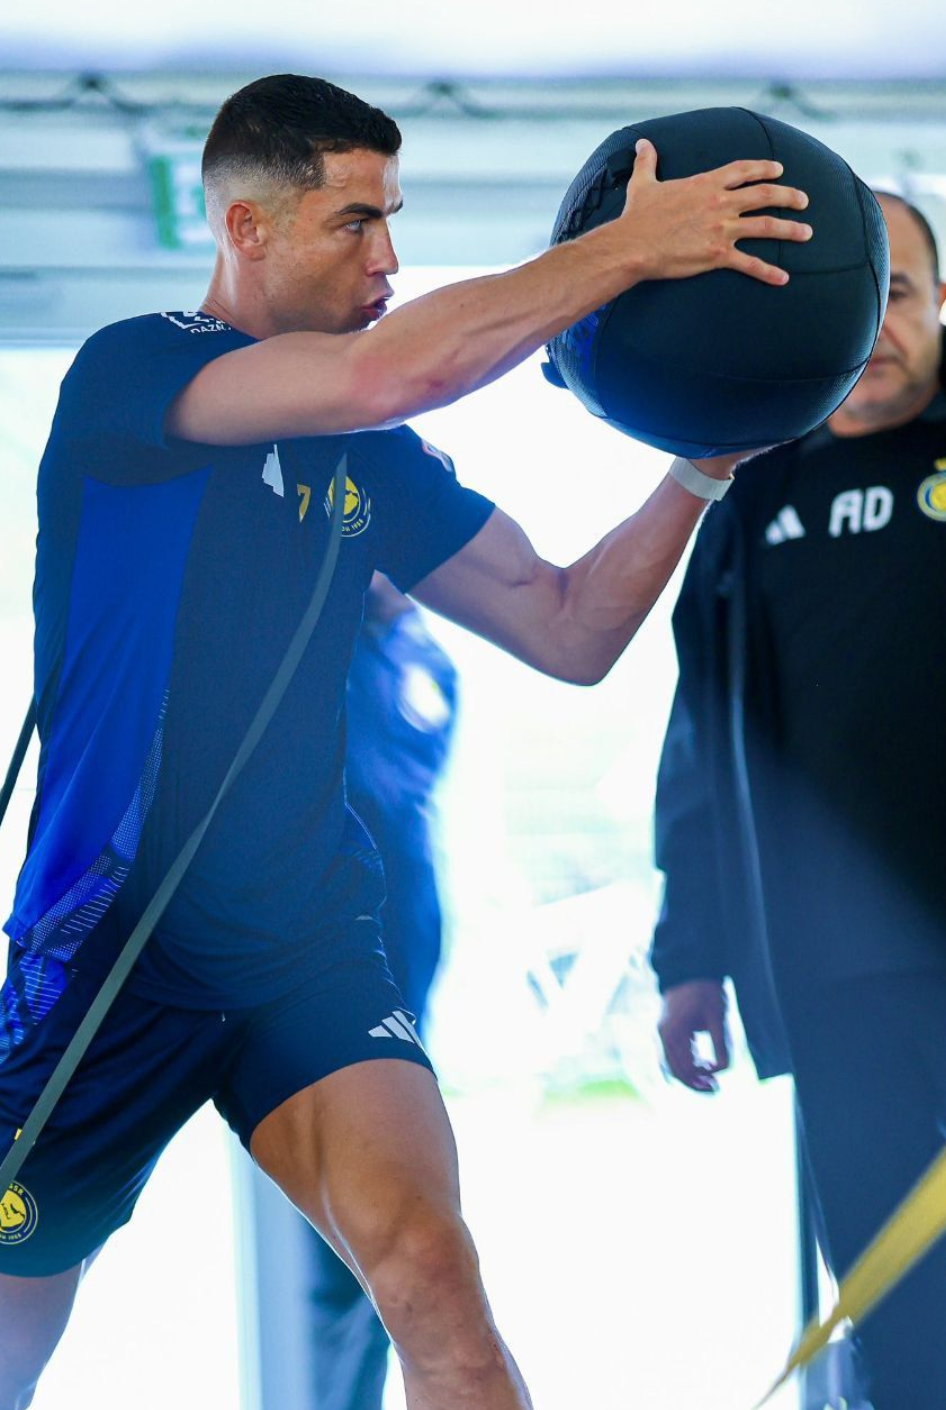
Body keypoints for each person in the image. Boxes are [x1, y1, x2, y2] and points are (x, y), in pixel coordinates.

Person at [0, 73, 812, 1410]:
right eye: (353, 222)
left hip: (303, 944)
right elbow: (394, 371)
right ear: (244, 228)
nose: (386, 258)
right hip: (107, 953)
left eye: (393, 221)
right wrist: (628, 249)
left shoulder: (370, 460)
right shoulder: (135, 370)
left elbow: (564, 625)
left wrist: (696, 470)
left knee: (432, 1277)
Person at [650, 193, 946, 1410]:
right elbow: (703, 739)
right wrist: (688, 957)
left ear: (940, 303)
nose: (875, 328)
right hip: (834, 977)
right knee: (895, 1310)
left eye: (898, 293)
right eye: (849, 303)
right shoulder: (750, 489)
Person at [299, 573, 457, 1410]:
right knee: (337, 1223)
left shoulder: (415, 656)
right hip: (315, 974)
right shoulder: (308, 651)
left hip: (397, 956)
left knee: (389, 1214)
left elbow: (411, 769)